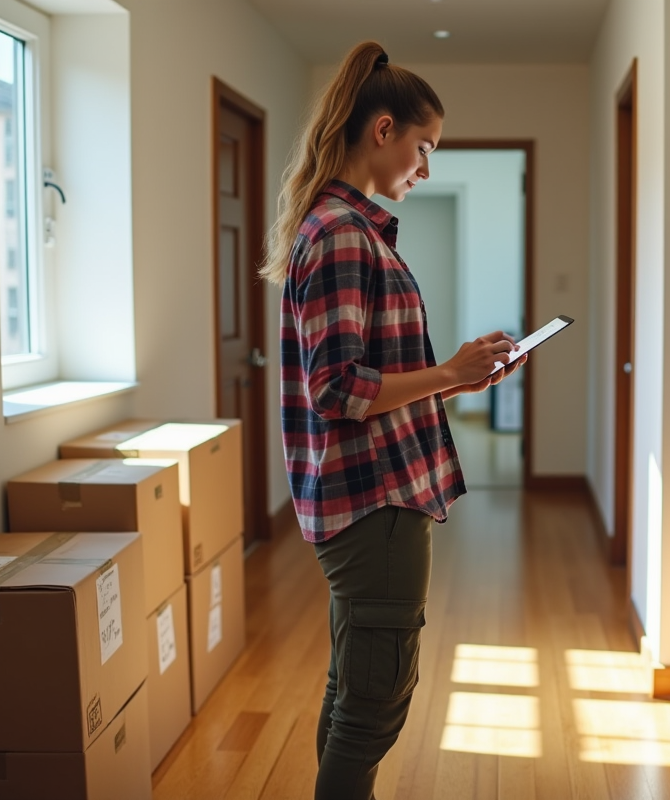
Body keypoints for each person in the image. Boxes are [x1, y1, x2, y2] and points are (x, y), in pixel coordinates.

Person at [260, 41, 526, 800]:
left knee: (354, 688)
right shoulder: (343, 234)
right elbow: (337, 388)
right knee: (375, 705)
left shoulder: (344, 228)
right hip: (373, 502)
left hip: (369, 495)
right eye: (424, 147)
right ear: (383, 130)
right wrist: (448, 374)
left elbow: (363, 379)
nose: (426, 168)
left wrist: (460, 378)